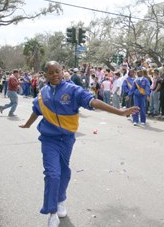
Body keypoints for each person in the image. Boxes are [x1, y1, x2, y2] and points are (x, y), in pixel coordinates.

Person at [18, 61, 139, 227]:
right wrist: (28, 124)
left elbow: (93, 101)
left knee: (64, 172)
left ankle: (60, 200)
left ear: (62, 71)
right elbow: (36, 110)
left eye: (57, 71)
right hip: (49, 139)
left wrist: (119, 111)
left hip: (67, 140)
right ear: (45, 75)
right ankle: (52, 211)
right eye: (51, 72)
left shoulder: (72, 90)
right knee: (52, 174)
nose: (55, 75)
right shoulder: (42, 93)